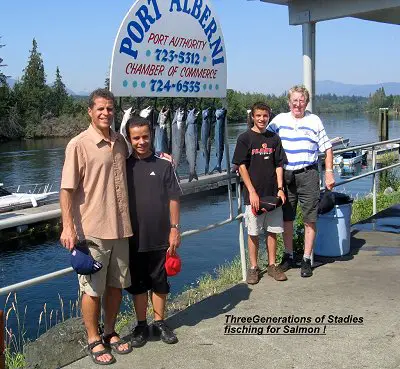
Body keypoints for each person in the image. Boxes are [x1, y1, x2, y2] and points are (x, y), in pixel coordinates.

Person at [60, 88, 133, 365]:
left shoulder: (120, 141)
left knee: (116, 286)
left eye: (110, 108)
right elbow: (66, 190)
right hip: (92, 230)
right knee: (92, 289)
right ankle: (93, 338)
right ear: (89, 111)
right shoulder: (78, 144)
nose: (106, 113)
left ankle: (111, 331)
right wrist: (68, 228)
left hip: (122, 228)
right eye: (100, 108)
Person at [124, 116, 181, 346]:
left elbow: (174, 198)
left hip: (160, 235)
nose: (141, 142)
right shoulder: (123, 166)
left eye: (145, 136)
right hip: (132, 238)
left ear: (152, 135)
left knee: (160, 282)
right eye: (136, 138)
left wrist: (175, 229)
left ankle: (159, 322)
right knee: (138, 284)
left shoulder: (164, 164)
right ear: (129, 138)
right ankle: (140, 325)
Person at [268, 85, 335, 278]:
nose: (298, 104)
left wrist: (329, 172)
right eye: (294, 100)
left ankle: (306, 259)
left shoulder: (314, 120)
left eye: (301, 100)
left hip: (308, 174)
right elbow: (263, 138)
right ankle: (288, 256)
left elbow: (327, 148)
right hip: (286, 176)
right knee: (286, 217)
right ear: (289, 102)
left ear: (306, 102)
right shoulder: (279, 120)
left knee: (309, 218)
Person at [233, 102, 287, 285]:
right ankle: (254, 268)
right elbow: (241, 166)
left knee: (273, 232)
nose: (262, 119)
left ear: (269, 116)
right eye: (258, 116)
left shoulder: (274, 138)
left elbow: (279, 164)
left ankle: (272, 265)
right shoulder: (244, 138)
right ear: (253, 117)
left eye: (265, 116)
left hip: (273, 194)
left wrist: (280, 189)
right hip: (254, 196)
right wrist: (252, 192)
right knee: (254, 232)